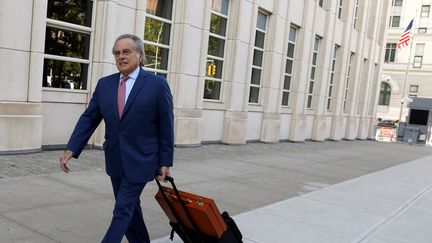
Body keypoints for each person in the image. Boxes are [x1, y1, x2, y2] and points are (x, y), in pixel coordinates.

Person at [59, 34, 174, 243]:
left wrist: (165, 160)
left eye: (126, 52)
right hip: (115, 159)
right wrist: (71, 149)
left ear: (139, 56)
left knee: (122, 209)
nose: (121, 56)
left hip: (142, 159)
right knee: (130, 209)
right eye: (117, 53)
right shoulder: (105, 85)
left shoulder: (157, 85)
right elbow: (90, 118)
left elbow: (166, 124)